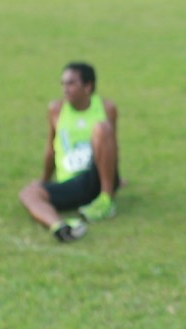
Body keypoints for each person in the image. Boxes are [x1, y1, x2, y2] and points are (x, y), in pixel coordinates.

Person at [18, 62, 119, 242]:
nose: (65, 89)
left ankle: (106, 200)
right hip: (72, 184)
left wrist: (114, 180)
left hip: (94, 176)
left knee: (102, 128)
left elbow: (111, 146)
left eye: (71, 83)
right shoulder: (56, 110)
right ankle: (61, 227)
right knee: (28, 193)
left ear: (88, 87)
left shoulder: (106, 108)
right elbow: (51, 147)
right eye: (63, 84)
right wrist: (44, 180)